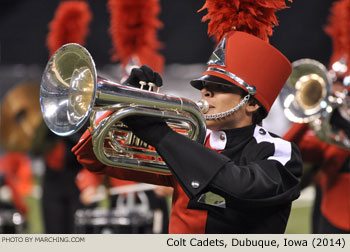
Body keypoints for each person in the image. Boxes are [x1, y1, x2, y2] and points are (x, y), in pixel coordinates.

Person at [73, 29, 303, 233]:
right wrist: (126, 102)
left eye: (220, 88)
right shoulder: (189, 140)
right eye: (204, 86)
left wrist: (161, 135)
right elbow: (95, 159)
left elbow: (242, 187)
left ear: (251, 104)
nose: (206, 93)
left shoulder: (280, 152)